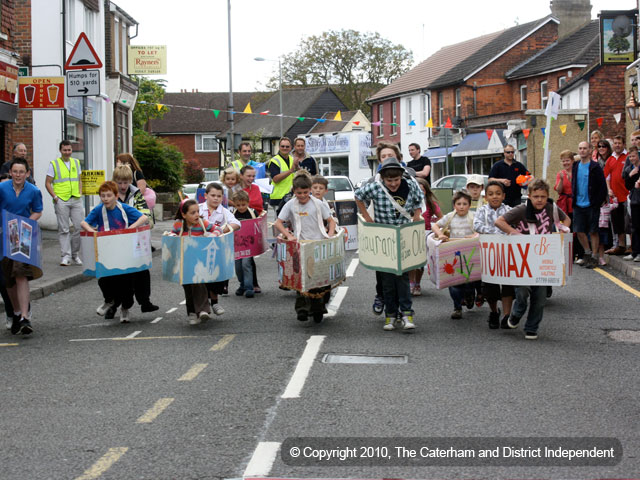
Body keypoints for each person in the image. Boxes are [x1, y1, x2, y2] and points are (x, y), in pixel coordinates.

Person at [495, 179, 571, 340]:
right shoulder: (521, 210)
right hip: (522, 259)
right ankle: (516, 314)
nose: (539, 200)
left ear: (547, 196)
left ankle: (531, 327)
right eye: (536, 196)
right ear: (529, 196)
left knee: (540, 296)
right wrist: (515, 233)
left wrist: (562, 229)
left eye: (543, 196)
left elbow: (566, 220)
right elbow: (499, 221)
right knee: (522, 291)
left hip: (543, 259)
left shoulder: (552, 208)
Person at [355, 158, 423, 332]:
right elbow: (358, 196)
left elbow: (418, 200)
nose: (393, 184)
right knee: (387, 280)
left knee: (403, 278)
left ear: (401, 177)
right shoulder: (376, 187)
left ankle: (407, 313)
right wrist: (367, 217)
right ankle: (390, 315)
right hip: (384, 237)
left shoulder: (410, 185)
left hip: (404, 234)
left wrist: (416, 216)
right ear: (383, 179)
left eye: (396, 180)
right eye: (389, 180)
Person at [81, 181, 148, 323]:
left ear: (116, 196)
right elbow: (84, 222)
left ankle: (125, 308)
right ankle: (109, 301)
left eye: (108, 195)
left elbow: (144, 217)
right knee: (104, 279)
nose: (105, 198)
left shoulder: (123, 208)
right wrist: (91, 231)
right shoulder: (99, 210)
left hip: (123, 249)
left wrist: (131, 228)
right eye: (102, 196)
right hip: (106, 250)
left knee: (125, 282)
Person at [275, 174, 336, 323]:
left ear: (309, 190)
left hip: (317, 244)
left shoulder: (318, 203)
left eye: (305, 192)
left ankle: (317, 309)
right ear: (294, 191)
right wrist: (288, 236)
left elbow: (331, 220)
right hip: (300, 245)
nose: (302, 196)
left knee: (316, 278)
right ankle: (302, 309)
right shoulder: (290, 204)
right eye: (299, 193)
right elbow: (278, 222)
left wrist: (329, 234)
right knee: (301, 278)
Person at [0, 158, 43, 335]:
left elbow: (38, 211)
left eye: (21, 172)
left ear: (27, 173)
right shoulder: (2, 188)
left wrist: (25, 222)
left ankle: (25, 317)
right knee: (8, 278)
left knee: (20, 273)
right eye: (15, 172)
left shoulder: (33, 191)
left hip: (23, 235)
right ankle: (17, 312)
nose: (18, 175)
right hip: (4, 235)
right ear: (10, 172)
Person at [109, 165, 158, 315]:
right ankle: (114, 305)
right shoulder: (109, 194)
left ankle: (145, 302)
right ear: (114, 181)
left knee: (141, 270)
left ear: (131, 181)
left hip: (135, 238)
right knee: (117, 275)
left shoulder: (136, 194)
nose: (123, 186)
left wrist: (136, 225)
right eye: (120, 182)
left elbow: (146, 216)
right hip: (115, 240)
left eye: (126, 182)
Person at [169, 199, 219, 325]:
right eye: (192, 213)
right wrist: (173, 237)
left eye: (197, 211)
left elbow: (218, 229)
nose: (197, 215)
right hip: (184, 263)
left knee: (199, 283)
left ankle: (203, 310)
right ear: (184, 214)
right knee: (187, 287)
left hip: (200, 262)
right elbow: (170, 235)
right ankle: (191, 313)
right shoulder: (178, 225)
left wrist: (213, 235)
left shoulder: (203, 223)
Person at [431, 190, 478, 320]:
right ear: (454, 205)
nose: (461, 206)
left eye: (464, 204)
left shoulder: (474, 217)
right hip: (453, 252)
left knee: (469, 281)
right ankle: (457, 307)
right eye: (459, 203)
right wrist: (440, 234)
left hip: (470, 253)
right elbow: (435, 225)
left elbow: (481, 229)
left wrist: (475, 235)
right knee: (454, 281)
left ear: (469, 205)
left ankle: (469, 296)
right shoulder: (450, 216)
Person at [473, 181, 514, 329]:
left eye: (498, 193)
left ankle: (507, 315)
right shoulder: (481, 211)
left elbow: (515, 225)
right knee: (490, 287)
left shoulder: (509, 210)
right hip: (488, 254)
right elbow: (476, 225)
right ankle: (494, 311)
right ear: (486, 197)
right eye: (490, 194)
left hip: (506, 253)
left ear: (503, 196)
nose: (494, 197)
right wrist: (496, 231)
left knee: (508, 284)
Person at [198, 182, 241, 312]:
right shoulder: (198, 209)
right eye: (212, 195)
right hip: (199, 248)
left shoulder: (223, 211)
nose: (216, 198)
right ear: (205, 195)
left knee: (215, 276)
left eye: (219, 196)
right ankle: (203, 304)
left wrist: (222, 229)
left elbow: (237, 223)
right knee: (201, 276)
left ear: (222, 198)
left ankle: (215, 302)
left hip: (216, 249)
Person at [45, 139, 84, 266]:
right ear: (60, 151)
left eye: (69, 150)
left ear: (72, 150)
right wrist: (56, 197)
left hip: (76, 198)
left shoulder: (76, 162)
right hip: (61, 199)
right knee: (64, 229)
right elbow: (48, 183)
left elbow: (79, 179)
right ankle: (65, 256)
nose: (67, 152)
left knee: (79, 227)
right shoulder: (54, 164)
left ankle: (74, 254)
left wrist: (80, 191)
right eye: (65, 150)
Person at [571, 141, 607, 268]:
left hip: (591, 204)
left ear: (590, 150)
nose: (582, 151)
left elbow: (602, 186)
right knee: (579, 231)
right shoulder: (575, 166)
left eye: (585, 148)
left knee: (593, 231)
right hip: (578, 204)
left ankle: (594, 256)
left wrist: (597, 202)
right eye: (580, 148)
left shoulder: (595, 167)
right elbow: (574, 183)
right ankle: (587, 252)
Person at [410, 177, 442, 296]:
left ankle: (417, 283)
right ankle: (411, 283)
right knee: (411, 261)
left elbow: (441, 218)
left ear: (426, 191)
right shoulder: (409, 202)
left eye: (422, 190)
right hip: (411, 233)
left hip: (425, 234)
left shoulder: (430, 204)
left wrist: (435, 228)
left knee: (420, 263)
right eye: (417, 189)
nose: (420, 192)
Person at [239, 165, 263, 293]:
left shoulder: (255, 188)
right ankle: (243, 284)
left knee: (249, 256)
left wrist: (242, 204)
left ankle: (253, 283)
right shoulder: (236, 189)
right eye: (248, 176)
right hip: (239, 224)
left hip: (252, 224)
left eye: (253, 176)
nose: (251, 178)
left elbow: (258, 205)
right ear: (241, 176)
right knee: (239, 258)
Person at [604, 135, 629, 255]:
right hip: (615, 197)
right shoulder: (610, 159)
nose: (617, 145)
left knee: (628, 223)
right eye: (615, 143)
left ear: (624, 144)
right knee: (617, 222)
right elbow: (607, 177)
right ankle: (621, 246)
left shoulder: (628, 157)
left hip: (627, 195)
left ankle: (632, 246)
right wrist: (609, 189)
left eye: (619, 143)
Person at [232, 190, 258, 298]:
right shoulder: (232, 214)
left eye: (243, 204)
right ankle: (242, 284)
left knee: (246, 264)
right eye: (238, 205)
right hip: (237, 245)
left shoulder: (252, 212)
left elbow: (257, 226)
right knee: (238, 266)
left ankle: (249, 287)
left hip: (248, 245)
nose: (241, 207)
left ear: (248, 202)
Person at [268, 137, 297, 208]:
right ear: (279, 147)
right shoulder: (274, 161)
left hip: (291, 196)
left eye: (287, 146)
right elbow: (275, 179)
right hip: (278, 197)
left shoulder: (292, 159)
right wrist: (290, 171)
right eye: (282, 146)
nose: (285, 148)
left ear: (291, 148)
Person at [623, 146, 640, 262]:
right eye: (630, 156)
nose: (632, 158)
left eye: (634, 156)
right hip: (634, 200)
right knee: (635, 227)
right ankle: (635, 252)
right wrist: (631, 175)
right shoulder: (629, 169)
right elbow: (628, 186)